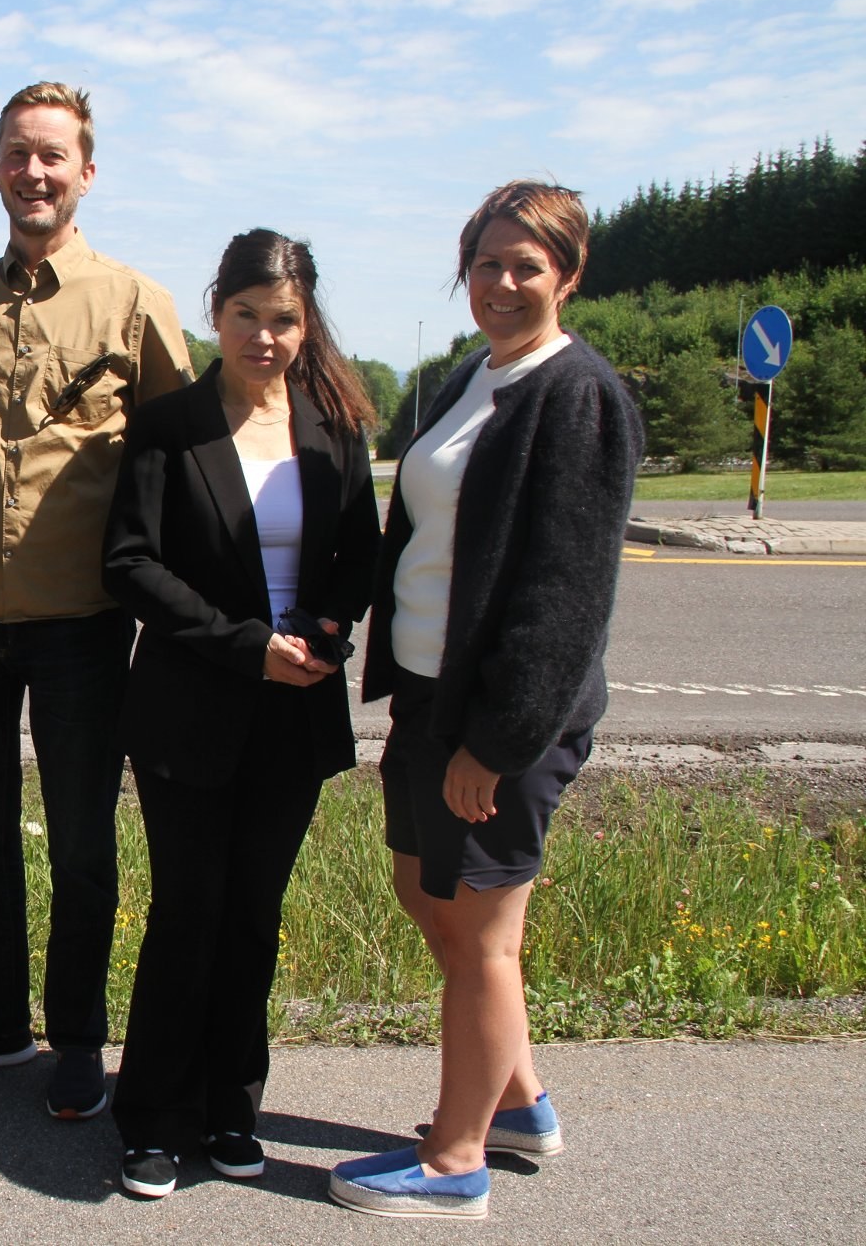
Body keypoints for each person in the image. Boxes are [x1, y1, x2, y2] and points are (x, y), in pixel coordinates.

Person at [328, 181, 642, 1220]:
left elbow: (563, 593)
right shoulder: (478, 375)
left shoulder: (575, 394)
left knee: (480, 934)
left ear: (568, 272)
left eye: (525, 265)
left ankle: (455, 1160)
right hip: (427, 692)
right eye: (484, 263)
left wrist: (497, 744)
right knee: (424, 895)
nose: (501, 284)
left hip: (500, 716)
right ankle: (518, 1103)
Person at [0, 82, 191, 1119]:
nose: (33, 172)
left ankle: (74, 1035)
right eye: (16, 154)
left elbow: (177, 466)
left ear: (85, 173)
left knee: (79, 837)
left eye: (52, 156)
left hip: (81, 622)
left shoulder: (135, 305)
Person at [102, 231, 380, 1197]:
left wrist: (326, 629)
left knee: (254, 916)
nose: (266, 336)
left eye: (286, 319)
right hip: (189, 706)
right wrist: (241, 644)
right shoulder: (170, 423)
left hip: (294, 711)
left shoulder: (333, 426)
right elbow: (130, 563)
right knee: (188, 912)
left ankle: (231, 1106)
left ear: (308, 323)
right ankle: (148, 1116)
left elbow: (358, 551)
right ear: (217, 312)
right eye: (248, 316)